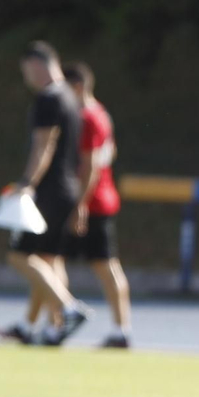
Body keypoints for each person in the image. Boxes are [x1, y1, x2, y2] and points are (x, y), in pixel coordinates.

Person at [0, 42, 89, 345]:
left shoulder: (49, 98)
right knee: (49, 259)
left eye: (27, 72)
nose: (27, 79)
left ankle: (68, 309)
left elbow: (44, 145)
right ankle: (54, 326)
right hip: (67, 189)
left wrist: (26, 182)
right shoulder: (71, 98)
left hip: (48, 191)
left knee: (21, 256)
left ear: (37, 65)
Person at [61, 62, 132, 349]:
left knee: (102, 265)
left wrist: (80, 203)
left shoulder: (88, 117)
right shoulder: (101, 113)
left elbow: (90, 165)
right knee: (59, 260)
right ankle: (120, 328)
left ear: (77, 86)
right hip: (99, 196)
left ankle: (120, 329)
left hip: (92, 200)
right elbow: (110, 153)